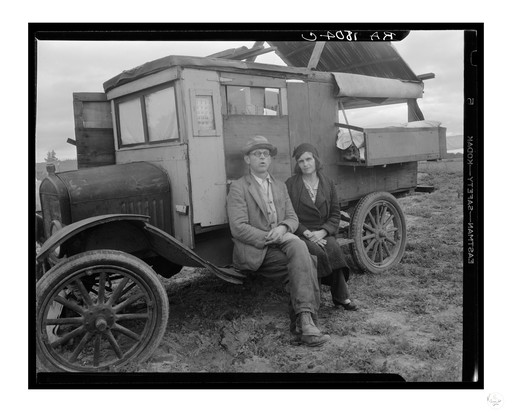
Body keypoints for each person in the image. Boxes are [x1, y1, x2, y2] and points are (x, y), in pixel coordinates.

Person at [227, 136, 330, 347]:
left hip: (281, 241)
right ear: (247, 160)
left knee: (300, 248)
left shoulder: (280, 186)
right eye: (257, 154)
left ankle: (304, 323)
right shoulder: (239, 187)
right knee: (307, 261)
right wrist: (269, 236)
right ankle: (306, 323)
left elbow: (292, 218)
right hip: (256, 250)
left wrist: (283, 228)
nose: (262, 158)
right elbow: (238, 228)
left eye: (266, 154)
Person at [285, 143, 357, 310]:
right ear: (298, 164)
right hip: (301, 231)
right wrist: (308, 233)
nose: (306, 164)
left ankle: (341, 296)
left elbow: (335, 213)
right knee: (315, 252)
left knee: (333, 248)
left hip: (323, 230)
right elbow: (289, 214)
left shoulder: (328, 183)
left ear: (316, 160)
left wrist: (323, 231)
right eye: (301, 161)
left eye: (309, 159)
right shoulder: (290, 184)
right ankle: (312, 301)